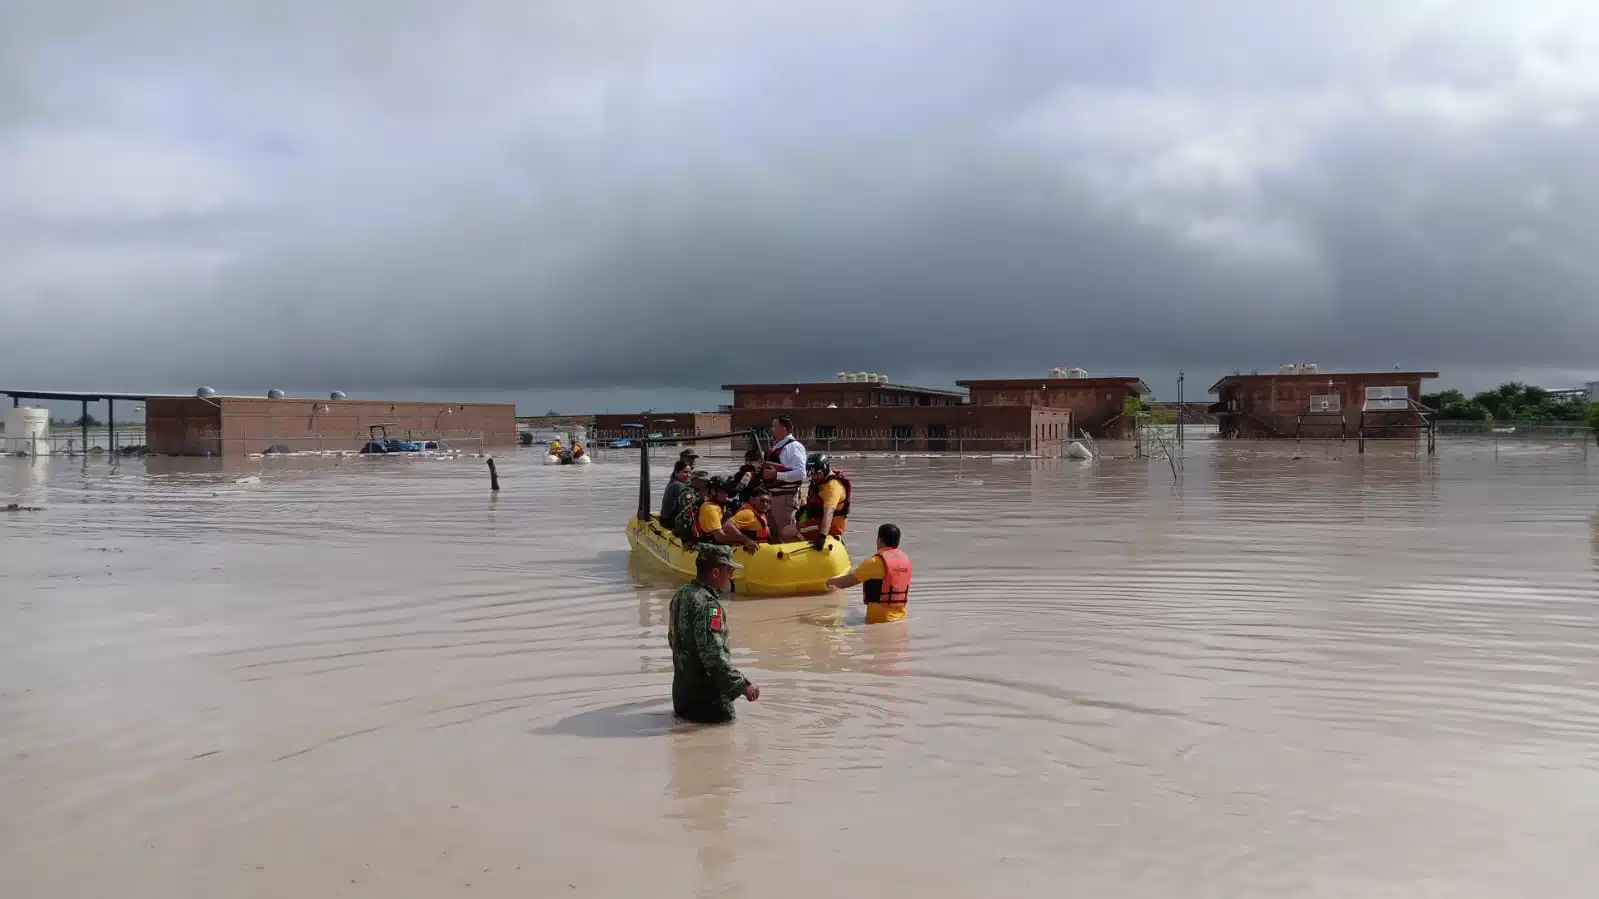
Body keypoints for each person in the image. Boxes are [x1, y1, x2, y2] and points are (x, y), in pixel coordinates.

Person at [669, 544, 760, 723]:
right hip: (708, 702)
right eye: (729, 571)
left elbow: (674, 640)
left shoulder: (680, 595)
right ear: (716, 573)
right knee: (722, 745)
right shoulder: (710, 607)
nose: (731, 577)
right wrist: (742, 685)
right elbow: (714, 656)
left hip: (682, 696)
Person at [826, 523, 911, 624]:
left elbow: (845, 582)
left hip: (879, 621)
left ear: (879, 540)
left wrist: (827, 582)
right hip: (902, 620)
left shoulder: (875, 562)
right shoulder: (905, 560)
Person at [761, 415, 806, 538]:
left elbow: (801, 473)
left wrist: (777, 474)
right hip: (772, 497)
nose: (772, 429)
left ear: (784, 428)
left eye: (774, 426)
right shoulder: (776, 447)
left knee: (786, 533)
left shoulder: (794, 447)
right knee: (773, 534)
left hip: (785, 498)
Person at [791, 453, 850, 547]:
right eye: (812, 473)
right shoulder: (819, 483)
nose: (814, 477)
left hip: (833, 527)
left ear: (825, 470)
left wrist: (822, 536)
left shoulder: (832, 487)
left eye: (817, 473)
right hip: (819, 520)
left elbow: (829, 513)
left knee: (786, 532)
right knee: (796, 524)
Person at [671, 470, 710, 543]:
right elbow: (690, 510)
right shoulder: (688, 492)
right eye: (703, 481)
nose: (705, 483)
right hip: (687, 524)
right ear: (695, 480)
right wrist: (702, 499)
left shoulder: (699, 490)